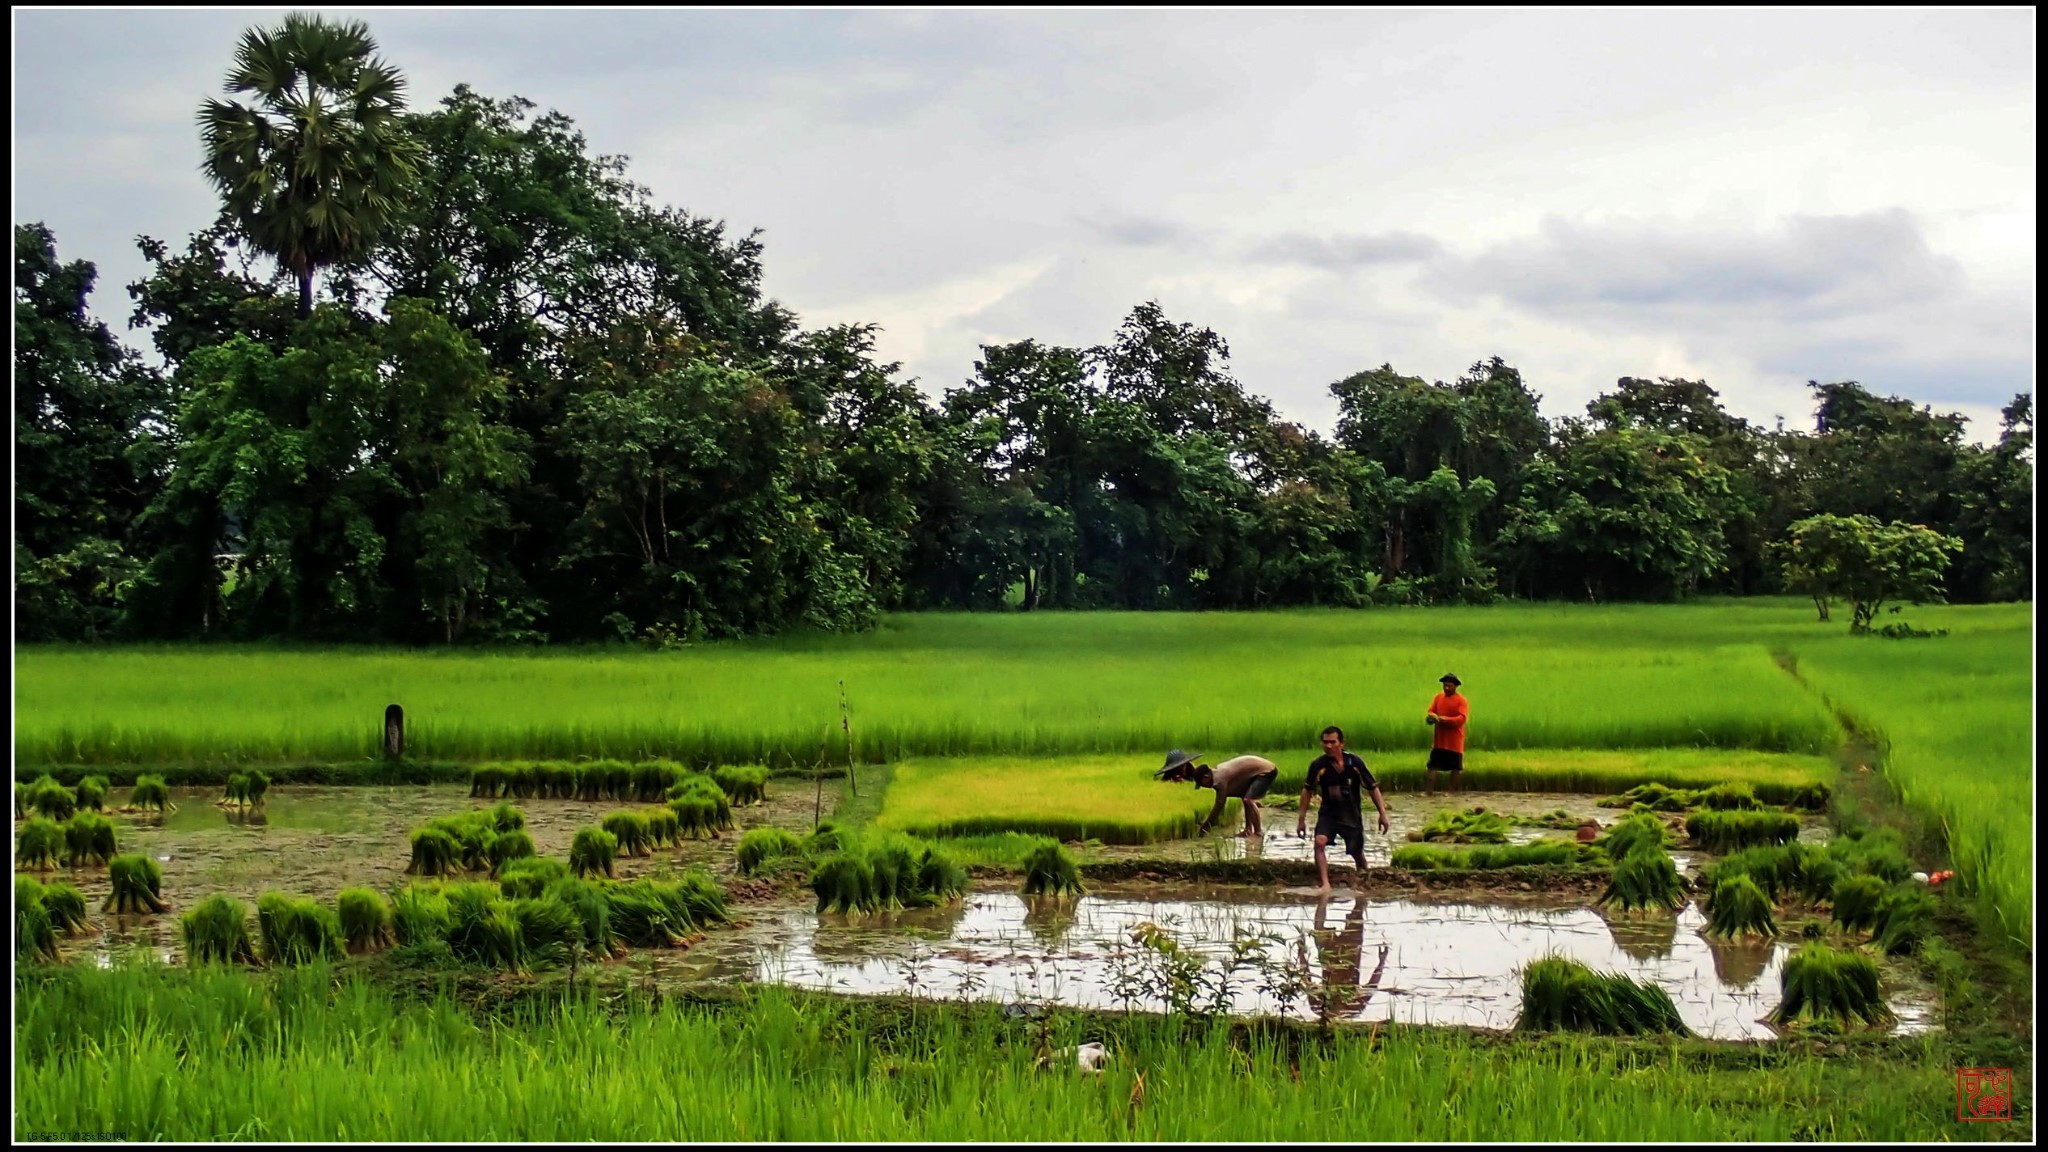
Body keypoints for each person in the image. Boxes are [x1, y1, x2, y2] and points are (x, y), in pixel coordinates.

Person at [1296, 726, 1390, 891]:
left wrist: (1382, 813)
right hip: (1328, 814)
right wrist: (1301, 819)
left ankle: (1363, 880)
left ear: (1342, 743)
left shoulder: (1354, 763)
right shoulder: (1318, 765)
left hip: (1351, 815)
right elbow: (1307, 790)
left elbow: (1372, 787)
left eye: (1333, 742)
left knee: (1357, 853)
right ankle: (1325, 884)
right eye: (1325, 742)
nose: (1329, 746)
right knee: (1319, 843)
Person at [1157, 749, 1280, 838]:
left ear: (1206, 777)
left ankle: (1258, 832)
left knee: (1249, 800)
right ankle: (1248, 830)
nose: (1205, 787)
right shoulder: (1216, 773)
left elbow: (1219, 807)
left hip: (1266, 771)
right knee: (1245, 797)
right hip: (1255, 771)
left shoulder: (1220, 781)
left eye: (1202, 784)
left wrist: (1205, 827)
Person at [1424, 673, 1468, 796]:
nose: (1446, 688)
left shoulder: (1461, 701)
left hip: (1454, 741)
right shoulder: (1438, 698)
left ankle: (1451, 793)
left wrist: (1443, 719)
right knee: (1432, 766)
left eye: (1449, 686)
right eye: (1444, 685)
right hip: (1439, 741)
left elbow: (1461, 719)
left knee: (1455, 768)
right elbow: (1431, 711)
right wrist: (1431, 718)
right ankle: (1428, 792)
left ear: (1455, 687)